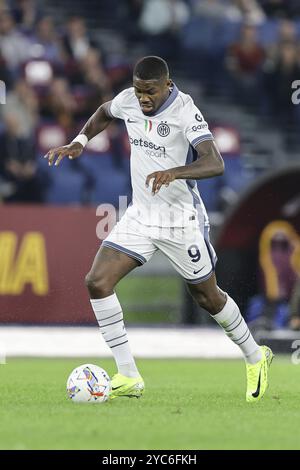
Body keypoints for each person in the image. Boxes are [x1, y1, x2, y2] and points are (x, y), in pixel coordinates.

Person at [44, 56, 273, 403]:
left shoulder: (184, 110)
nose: (143, 99)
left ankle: (255, 356)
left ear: (167, 85)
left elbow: (215, 163)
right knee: (97, 281)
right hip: (141, 215)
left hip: (180, 219)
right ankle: (129, 375)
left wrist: (175, 172)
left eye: (149, 91)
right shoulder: (129, 100)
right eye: (138, 91)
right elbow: (105, 112)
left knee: (207, 297)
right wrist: (80, 140)